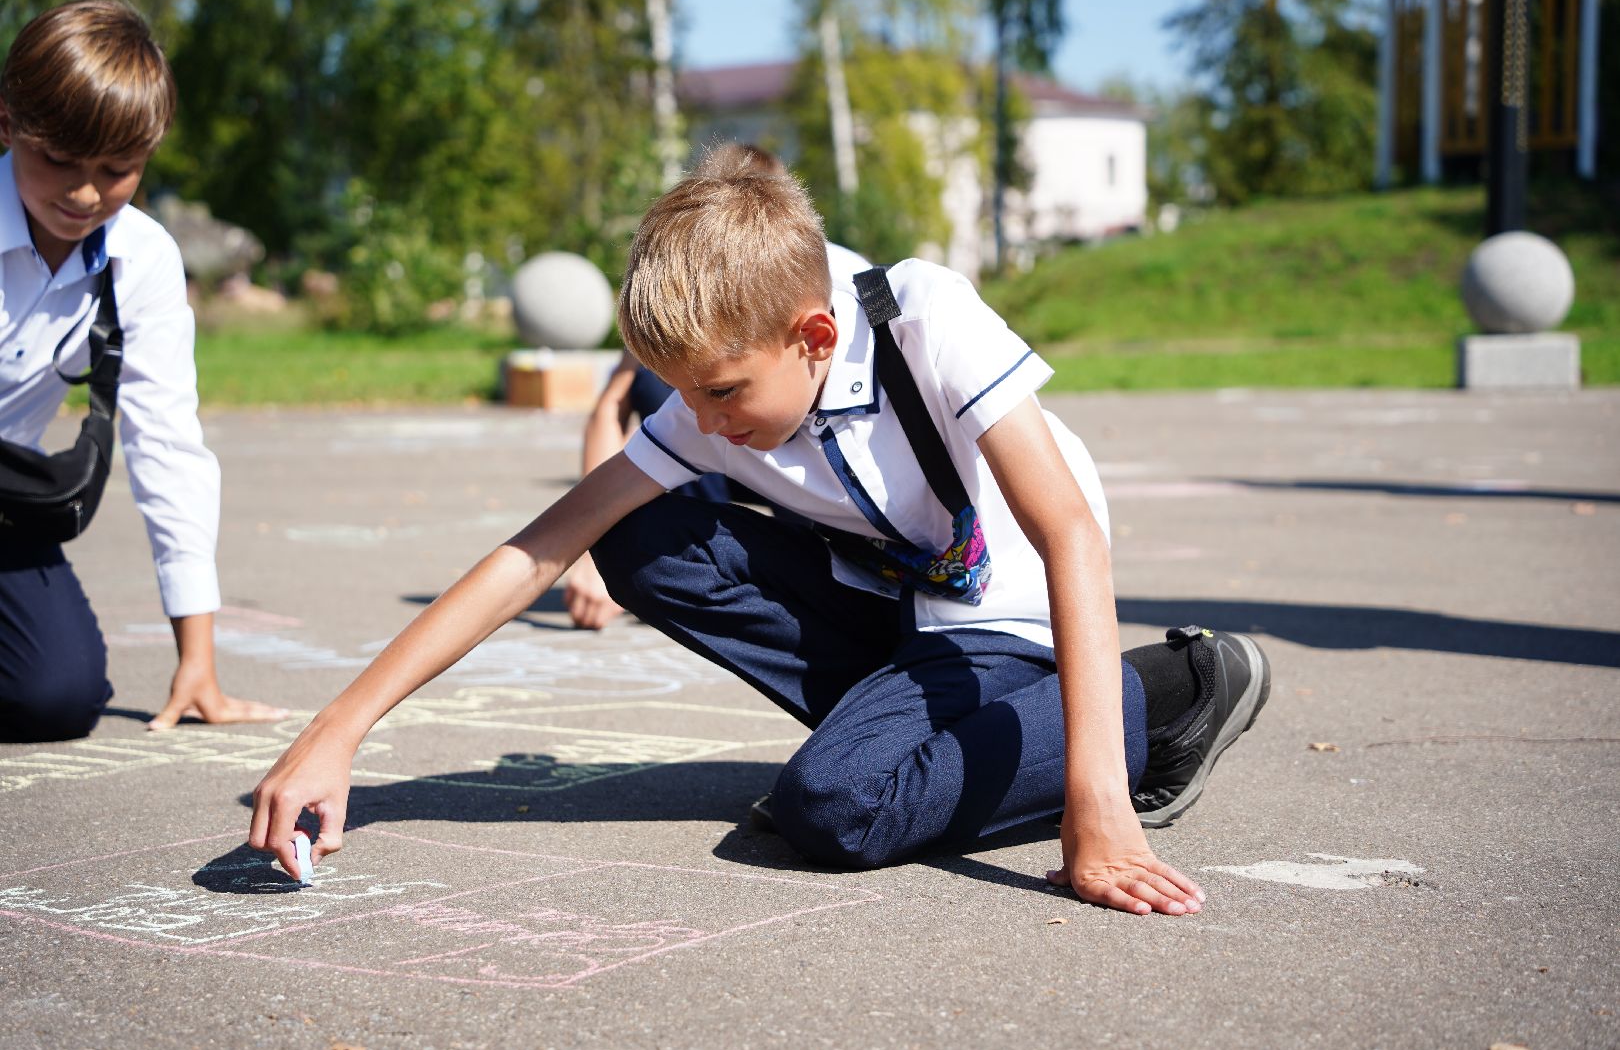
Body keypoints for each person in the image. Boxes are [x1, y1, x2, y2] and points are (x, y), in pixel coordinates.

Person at [249, 156, 1270, 916]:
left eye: (725, 391)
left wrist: (1098, 809)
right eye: (687, 393)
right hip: (899, 610)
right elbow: (539, 549)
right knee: (643, 540)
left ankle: (1156, 702)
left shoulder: (923, 318)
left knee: (833, 808)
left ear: (815, 336)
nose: (706, 418)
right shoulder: (723, 385)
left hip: (1011, 620)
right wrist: (339, 734)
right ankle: (937, 750)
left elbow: (1071, 538)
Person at [0, 0, 286, 741]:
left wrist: (198, 659)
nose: (85, 193)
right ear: (6, 127)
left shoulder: (143, 258)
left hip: (6, 501)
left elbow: (164, 443)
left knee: (58, 697)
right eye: (57, 160)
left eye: (117, 170)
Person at [565, 142, 866, 629]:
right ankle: (704, 551)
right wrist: (589, 551)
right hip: (737, 453)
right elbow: (611, 405)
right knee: (647, 381)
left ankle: (828, 552)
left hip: (830, 460)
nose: (702, 420)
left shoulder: (840, 278)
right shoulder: (694, 281)